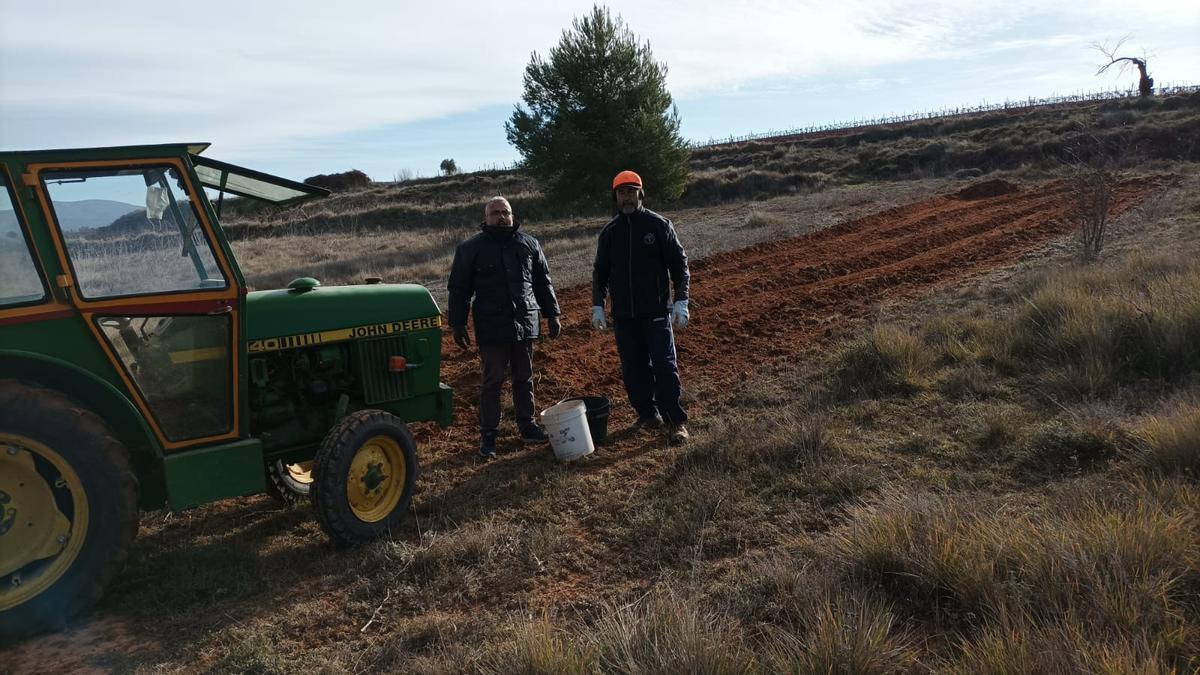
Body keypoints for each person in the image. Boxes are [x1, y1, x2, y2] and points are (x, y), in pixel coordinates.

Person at [448, 196, 561, 458]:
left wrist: (553, 313)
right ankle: (489, 436)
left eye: (505, 212)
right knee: (492, 381)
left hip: (524, 321)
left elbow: (543, 282)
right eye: (495, 213)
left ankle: (528, 426)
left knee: (524, 377)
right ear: (485, 218)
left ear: (512, 216)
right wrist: (458, 324)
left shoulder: (529, 244)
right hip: (491, 325)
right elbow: (459, 289)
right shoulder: (470, 249)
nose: (501, 217)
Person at [590, 170, 691, 444]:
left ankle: (675, 422)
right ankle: (648, 414)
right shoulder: (610, 233)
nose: (627, 198)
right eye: (622, 193)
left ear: (641, 194)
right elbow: (601, 273)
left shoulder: (659, 225)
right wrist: (598, 305)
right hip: (624, 316)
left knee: (664, 367)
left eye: (631, 192)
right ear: (615, 197)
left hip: (656, 312)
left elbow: (680, 266)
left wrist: (681, 300)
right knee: (633, 369)